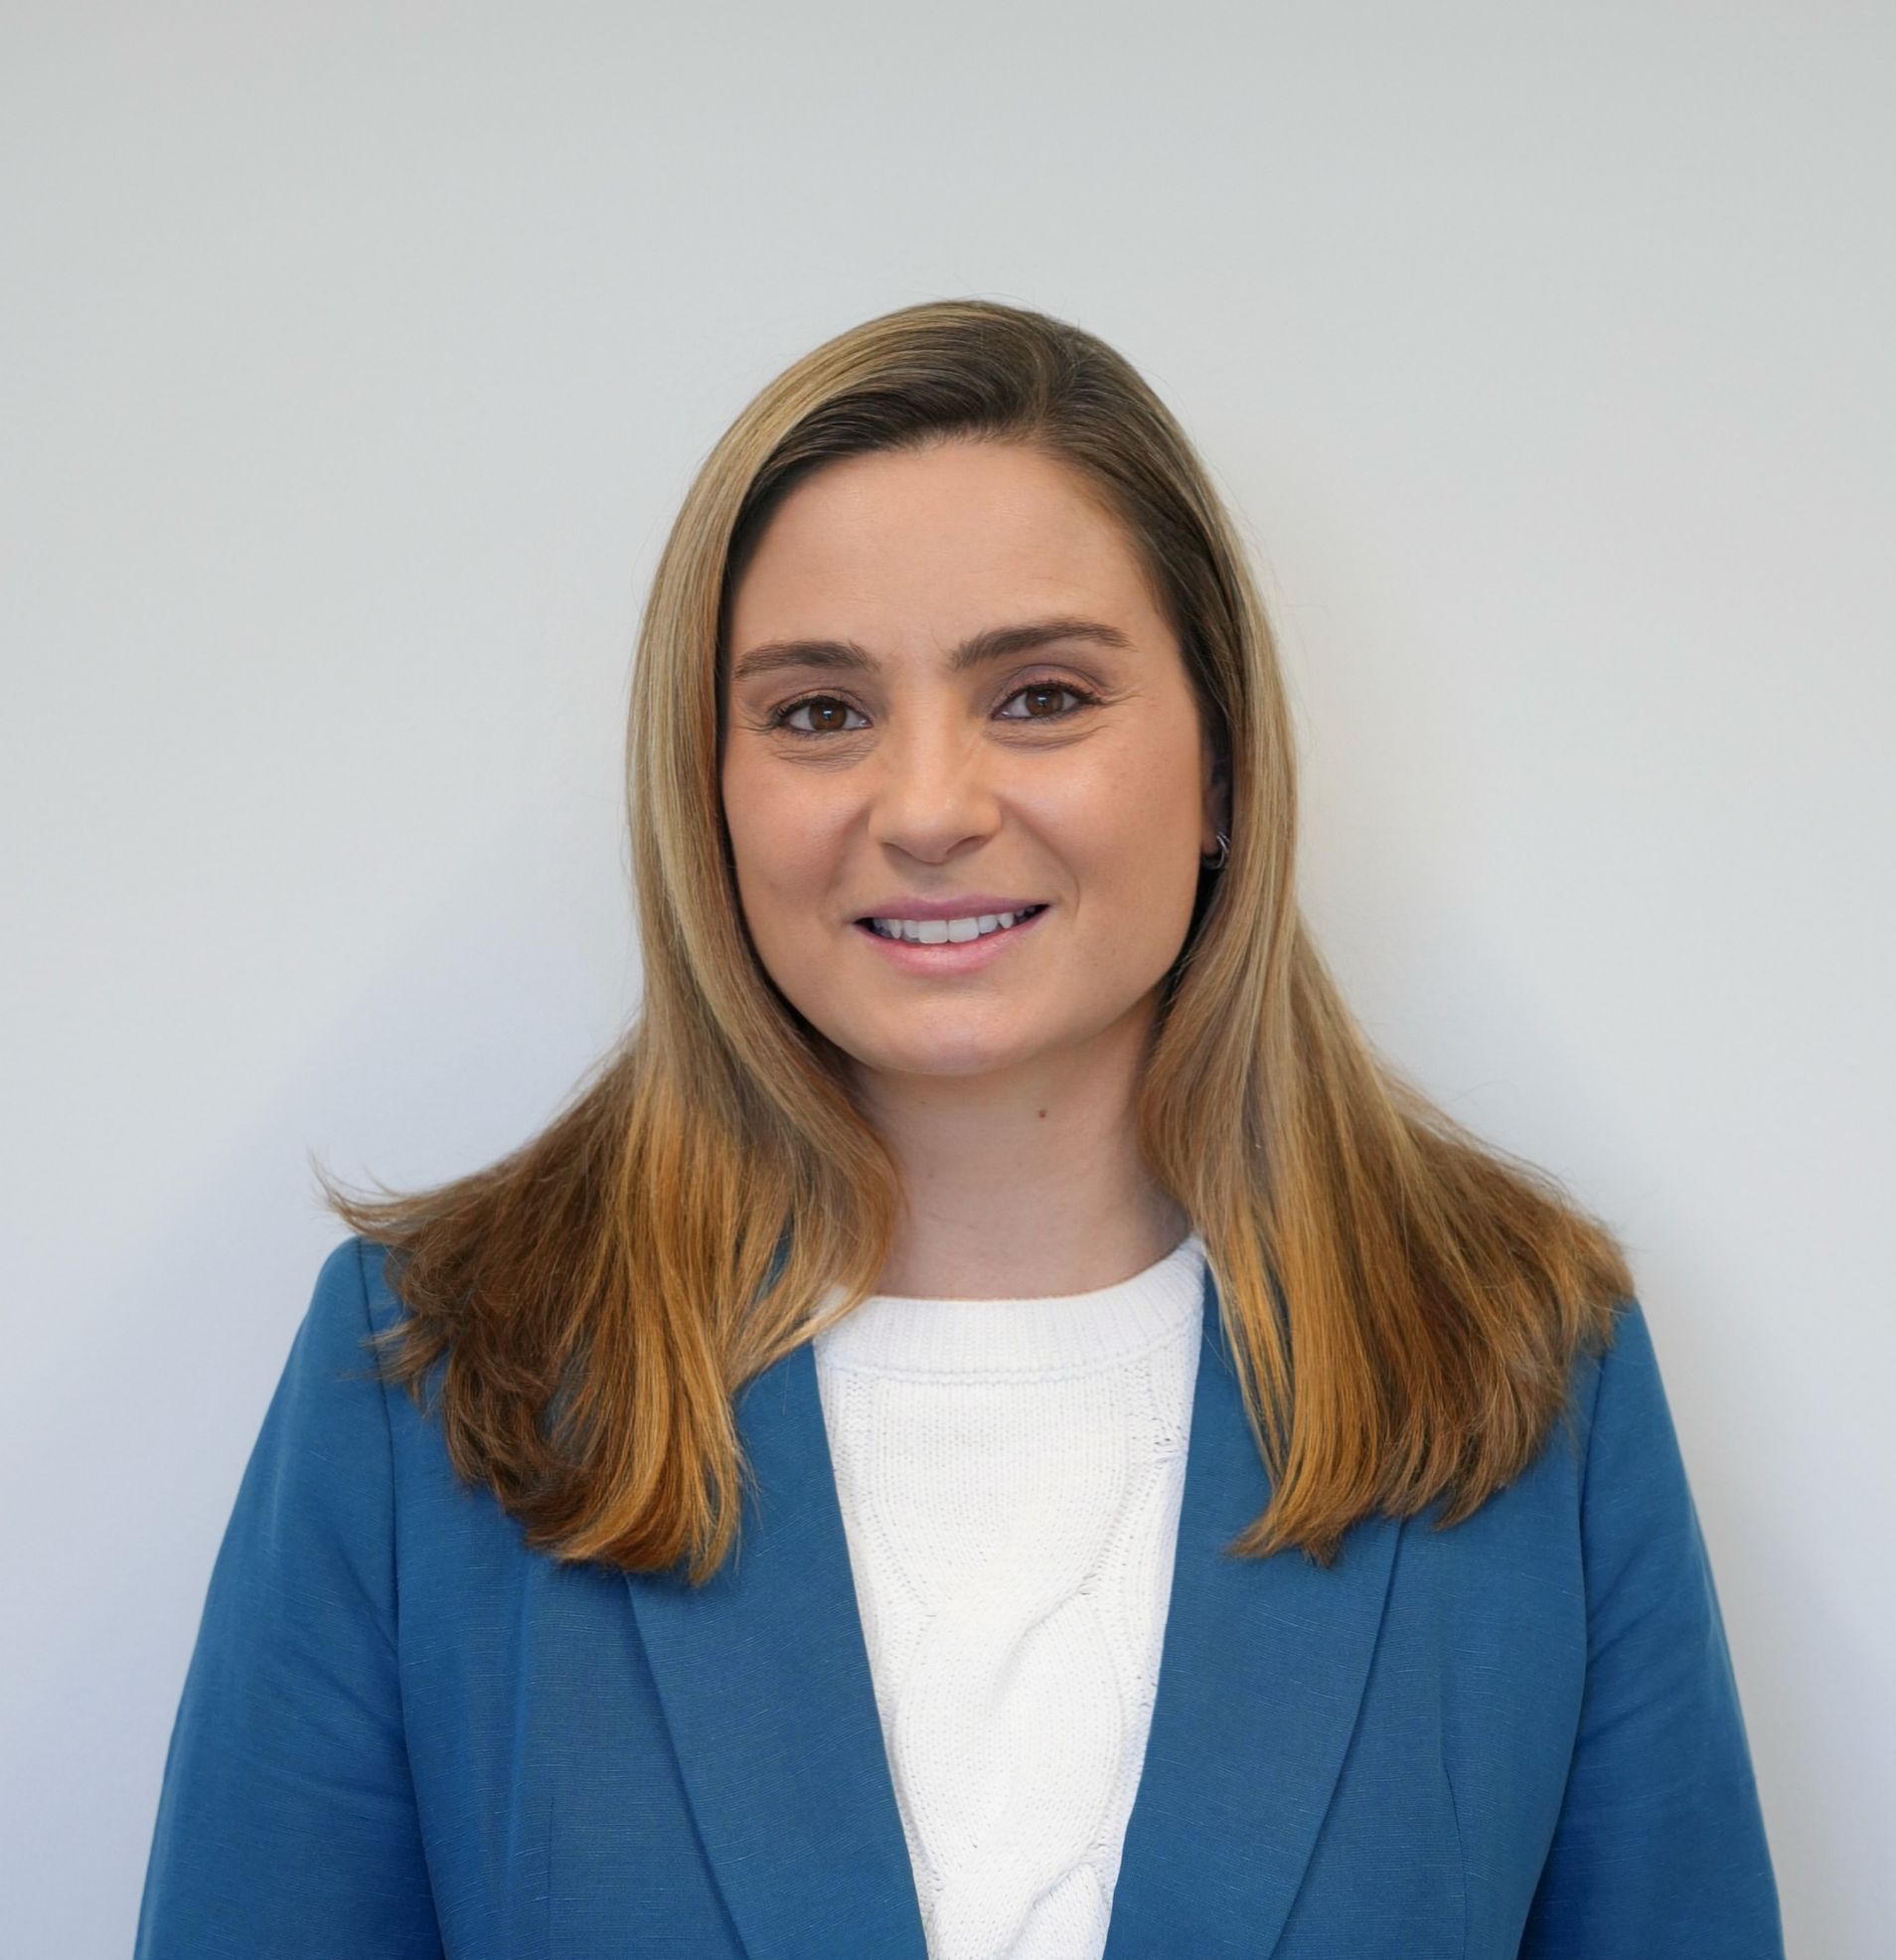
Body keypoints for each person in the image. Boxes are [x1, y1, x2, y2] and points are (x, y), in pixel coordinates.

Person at [134, 299, 1784, 1959]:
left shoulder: (1522, 1365)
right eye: (818, 714)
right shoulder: (432, 1377)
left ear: (1222, 769)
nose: (927, 809)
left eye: (1043, 696)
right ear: (706, 789)